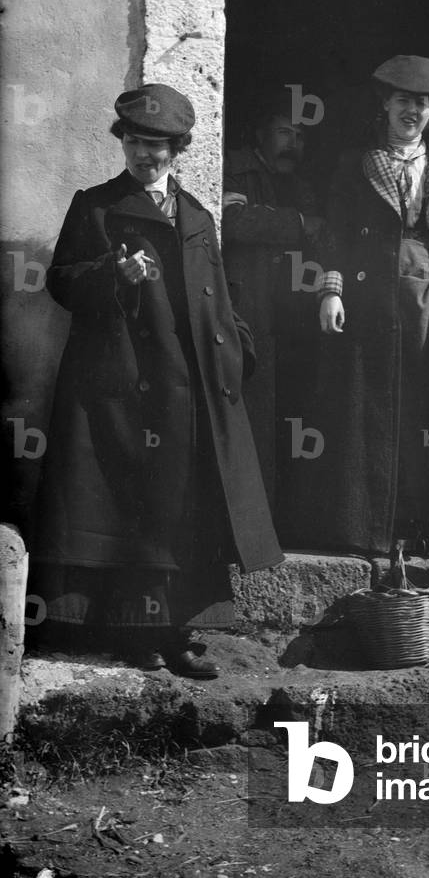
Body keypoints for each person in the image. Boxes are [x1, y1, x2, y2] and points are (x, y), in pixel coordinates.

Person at [31, 83, 283, 677]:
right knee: (130, 507)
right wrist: (112, 273)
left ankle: (175, 632)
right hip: (127, 387)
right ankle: (133, 636)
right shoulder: (94, 206)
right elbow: (62, 282)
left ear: (179, 150)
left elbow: (220, 293)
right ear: (123, 143)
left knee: (183, 507)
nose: (147, 156)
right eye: (138, 143)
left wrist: (239, 347)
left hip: (191, 385)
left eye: (160, 146)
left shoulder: (196, 214)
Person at [312, 55, 429, 555]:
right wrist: (332, 290)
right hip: (378, 302)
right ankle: (377, 526)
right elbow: (336, 233)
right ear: (386, 103)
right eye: (403, 101)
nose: (411, 111)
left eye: (422, 102)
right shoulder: (355, 164)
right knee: (383, 406)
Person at [222, 91, 324, 513]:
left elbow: (327, 234)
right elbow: (233, 223)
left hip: (293, 316)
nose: (293, 143)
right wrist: (300, 223)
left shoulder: (300, 184)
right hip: (249, 309)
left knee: (293, 414)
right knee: (252, 413)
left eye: (300, 135)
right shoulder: (235, 168)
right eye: (284, 132)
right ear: (260, 134)